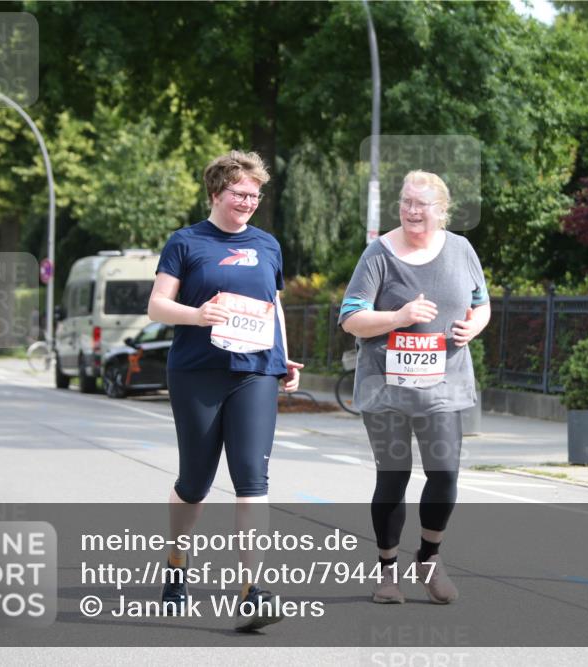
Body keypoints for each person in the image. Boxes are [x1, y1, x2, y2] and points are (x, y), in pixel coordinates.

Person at [147, 150, 303, 631]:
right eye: (240, 193)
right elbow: (157, 306)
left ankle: (253, 590)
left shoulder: (268, 245)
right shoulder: (186, 241)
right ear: (216, 192)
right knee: (193, 482)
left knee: (252, 482)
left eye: (255, 195)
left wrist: (283, 357)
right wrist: (196, 315)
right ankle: (176, 565)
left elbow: (273, 306)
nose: (248, 202)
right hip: (197, 372)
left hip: (254, 373)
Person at [339, 170, 491, 604]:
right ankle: (387, 574)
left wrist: (472, 328)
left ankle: (428, 558)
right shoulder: (379, 253)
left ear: (441, 211)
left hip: (444, 384)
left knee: (444, 475)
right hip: (386, 387)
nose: (410, 210)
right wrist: (398, 318)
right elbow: (350, 317)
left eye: (420, 204)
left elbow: (481, 304)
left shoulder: (461, 250)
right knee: (394, 476)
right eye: (406, 202)